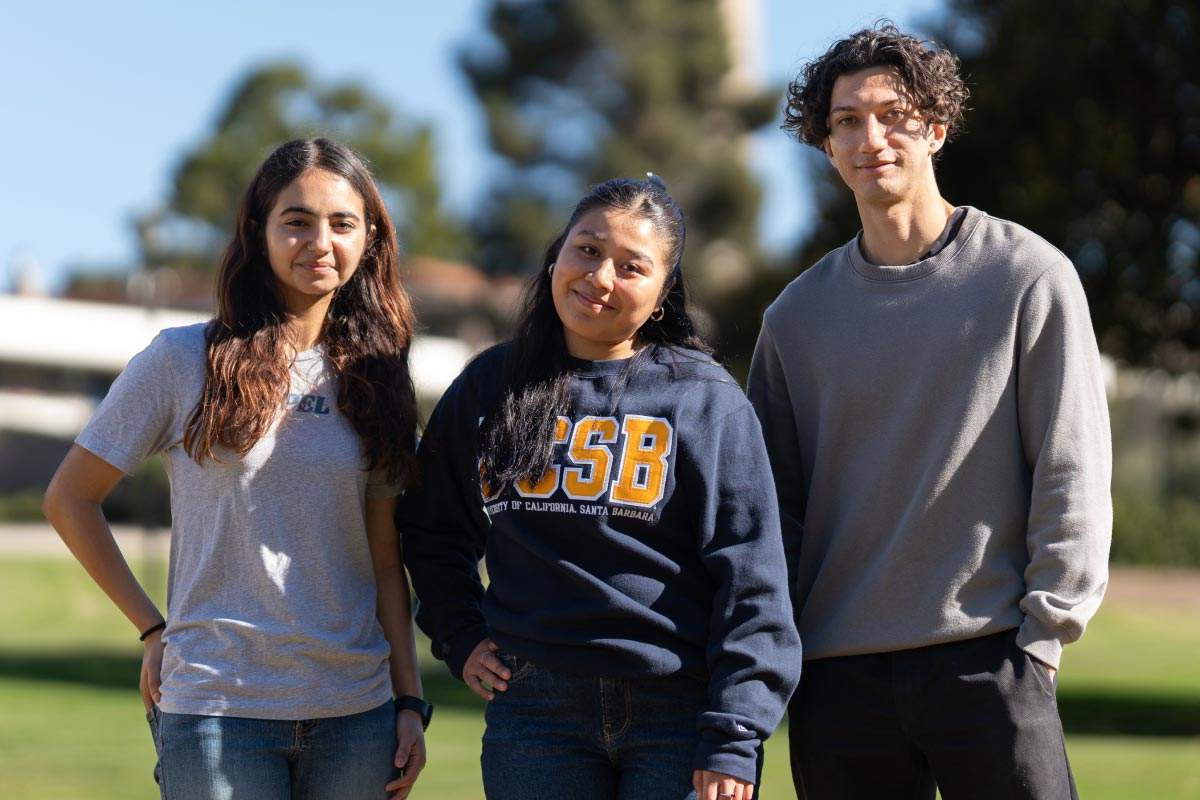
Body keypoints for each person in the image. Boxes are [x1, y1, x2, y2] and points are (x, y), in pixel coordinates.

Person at [747, 23, 1113, 800]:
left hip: (992, 659)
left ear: (936, 129)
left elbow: (1071, 466)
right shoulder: (795, 318)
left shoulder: (1028, 277)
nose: (870, 137)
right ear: (825, 143)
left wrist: (1043, 639)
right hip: (837, 677)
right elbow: (774, 514)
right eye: (847, 120)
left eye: (893, 114)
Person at [42, 137, 431, 800]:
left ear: (369, 238)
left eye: (342, 223)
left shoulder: (378, 376)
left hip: (355, 719)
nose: (320, 241)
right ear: (258, 230)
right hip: (218, 711)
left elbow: (383, 556)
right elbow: (69, 499)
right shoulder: (181, 360)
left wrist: (408, 700)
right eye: (297, 220)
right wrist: (151, 628)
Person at [399, 176, 801, 800]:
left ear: (664, 292)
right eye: (587, 249)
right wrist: (459, 632)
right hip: (534, 709)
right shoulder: (489, 385)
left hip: (678, 712)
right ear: (557, 255)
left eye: (631, 266)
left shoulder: (704, 399)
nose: (601, 276)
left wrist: (735, 733)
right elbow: (431, 528)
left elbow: (752, 577)